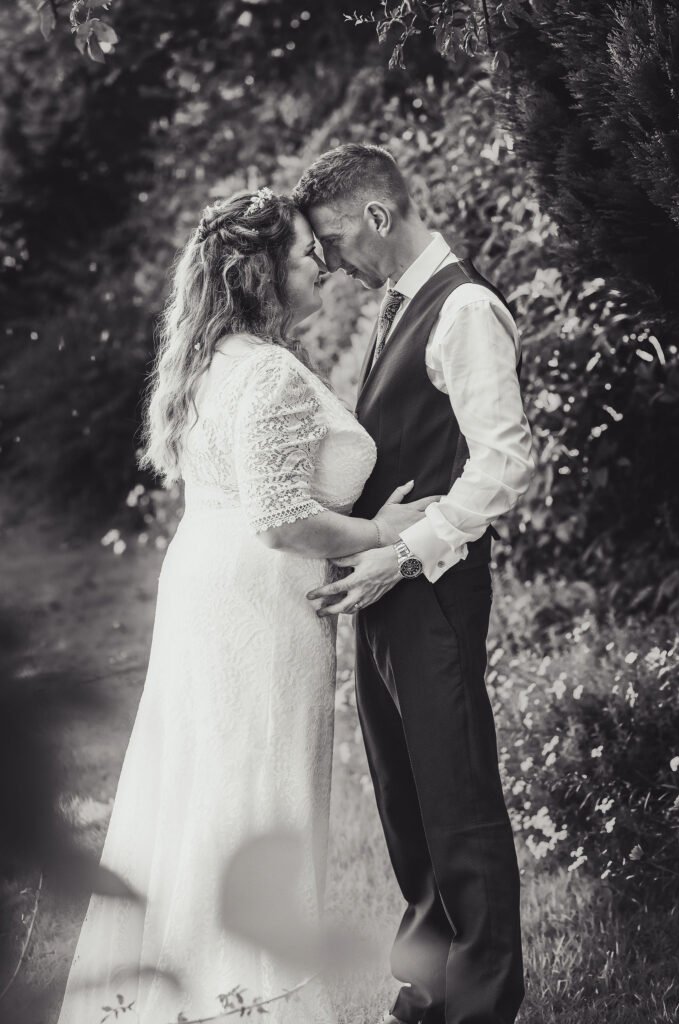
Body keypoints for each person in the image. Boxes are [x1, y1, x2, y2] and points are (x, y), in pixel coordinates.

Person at [55, 188, 434, 1024]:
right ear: (258, 273)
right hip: (255, 604)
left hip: (205, 584)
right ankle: (254, 1000)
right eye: (304, 255)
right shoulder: (263, 372)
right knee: (260, 796)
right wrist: (376, 531)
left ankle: (197, 991)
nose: (321, 268)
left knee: (207, 793)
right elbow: (279, 520)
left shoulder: (212, 358)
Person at [295, 144, 535, 1024]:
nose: (326, 261)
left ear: (377, 218)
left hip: (431, 586)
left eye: (328, 241)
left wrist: (402, 551)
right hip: (387, 591)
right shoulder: (399, 308)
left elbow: (503, 463)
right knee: (405, 796)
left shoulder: (463, 306)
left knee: (457, 798)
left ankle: (479, 1003)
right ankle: (428, 984)